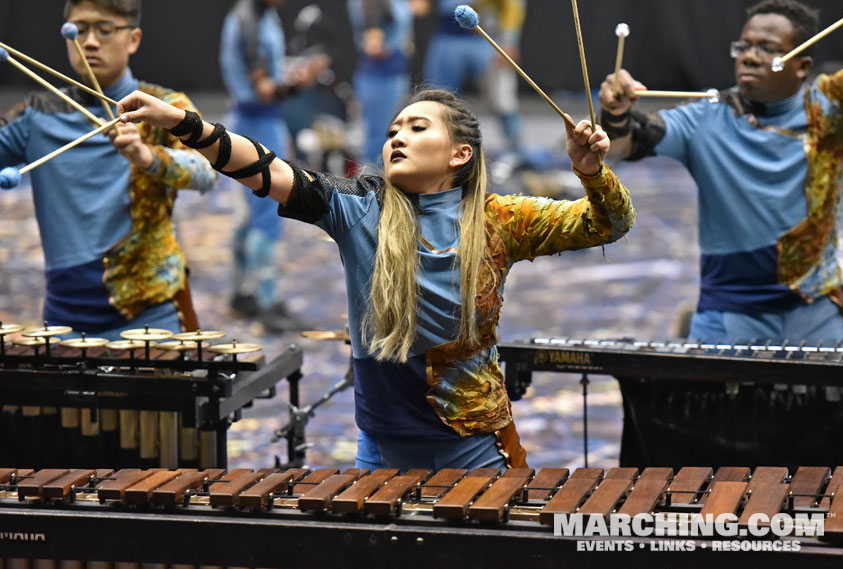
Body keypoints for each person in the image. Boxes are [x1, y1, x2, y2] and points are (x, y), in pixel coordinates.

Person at [115, 87, 634, 470]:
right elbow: (264, 169)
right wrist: (185, 124)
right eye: (392, 132)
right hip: (382, 455)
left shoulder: (501, 218)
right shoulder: (357, 208)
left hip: (477, 451)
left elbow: (610, 222)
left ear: (460, 154)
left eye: (417, 127)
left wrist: (591, 172)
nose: (397, 138)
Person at [599, 0, 843, 343]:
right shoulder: (706, 118)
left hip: (815, 313)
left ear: (801, 65)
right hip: (728, 317)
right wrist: (615, 113)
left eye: (767, 49)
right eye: (744, 46)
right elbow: (618, 146)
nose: (749, 56)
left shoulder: (831, 109)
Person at [0, 0, 216, 340]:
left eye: (104, 30)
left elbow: (207, 171)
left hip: (151, 313)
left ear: (133, 39)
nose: (89, 42)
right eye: (79, 30)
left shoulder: (163, 107)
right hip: (64, 316)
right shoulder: (36, 116)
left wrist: (148, 157)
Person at [220, 0, 326, 333]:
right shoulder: (250, 20)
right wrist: (301, 83)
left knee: (250, 215)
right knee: (268, 214)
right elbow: (265, 90)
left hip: (251, 121)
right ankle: (268, 303)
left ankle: (242, 293)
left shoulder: (256, 14)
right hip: (257, 125)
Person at [421, 0, 526, 156]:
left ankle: (518, 153)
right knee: (436, 101)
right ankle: (431, 152)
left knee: (502, 99)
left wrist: (509, 42)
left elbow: (513, 5)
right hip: (447, 37)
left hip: (485, 38)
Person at [347, 0, 414, 167]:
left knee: (391, 136)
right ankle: (371, 187)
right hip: (381, 79)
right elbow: (373, 46)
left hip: (393, 76)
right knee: (380, 143)